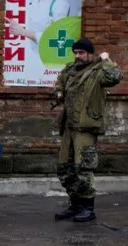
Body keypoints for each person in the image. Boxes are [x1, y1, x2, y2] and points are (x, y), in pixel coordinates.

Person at [53, 38, 123, 222]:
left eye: (81, 52)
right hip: (69, 125)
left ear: (90, 54)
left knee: (83, 167)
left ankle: (87, 208)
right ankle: (75, 204)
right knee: (64, 168)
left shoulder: (98, 71)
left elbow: (115, 77)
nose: (78, 56)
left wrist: (106, 59)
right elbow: (59, 82)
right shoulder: (70, 69)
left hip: (85, 126)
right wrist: (59, 92)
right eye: (76, 52)